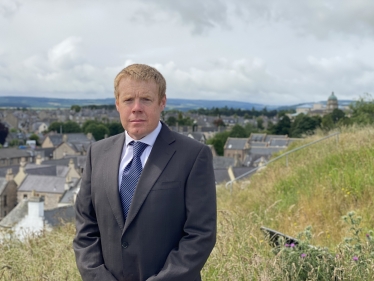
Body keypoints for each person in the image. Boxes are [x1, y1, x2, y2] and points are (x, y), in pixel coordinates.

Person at [73, 64, 217, 281]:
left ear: (162, 102)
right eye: (128, 100)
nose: (136, 108)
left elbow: (200, 235)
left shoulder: (194, 155)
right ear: (117, 104)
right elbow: (86, 229)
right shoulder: (97, 153)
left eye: (146, 100)